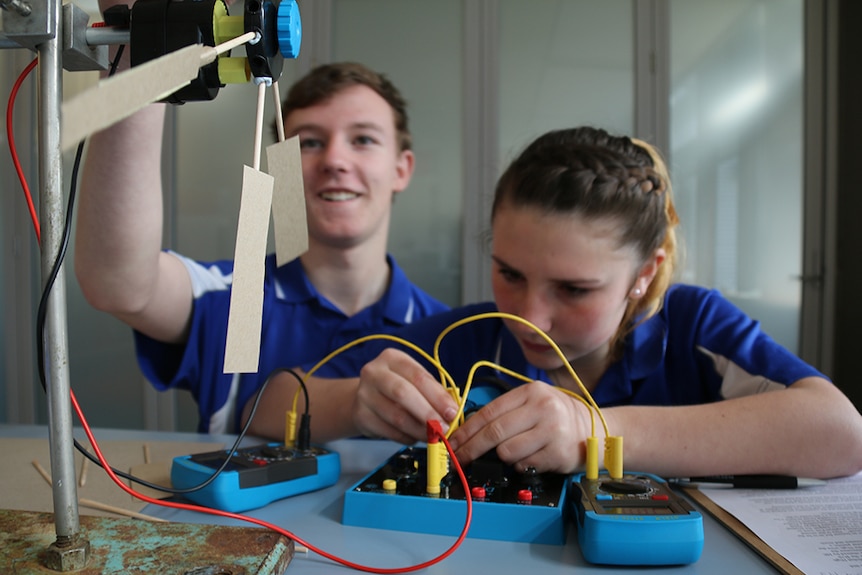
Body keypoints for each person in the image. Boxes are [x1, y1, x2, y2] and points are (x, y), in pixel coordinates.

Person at [248, 126, 862, 480]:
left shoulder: (692, 325)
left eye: (574, 289)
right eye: (509, 273)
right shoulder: (475, 340)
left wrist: (593, 428)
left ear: (643, 276)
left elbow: (841, 433)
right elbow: (268, 406)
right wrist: (356, 403)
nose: (527, 316)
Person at [76, 2, 449, 434]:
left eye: (363, 139)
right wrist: (141, 53)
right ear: (282, 166)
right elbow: (117, 283)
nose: (335, 160)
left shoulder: (444, 334)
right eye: (308, 142)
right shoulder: (234, 299)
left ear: (402, 168)